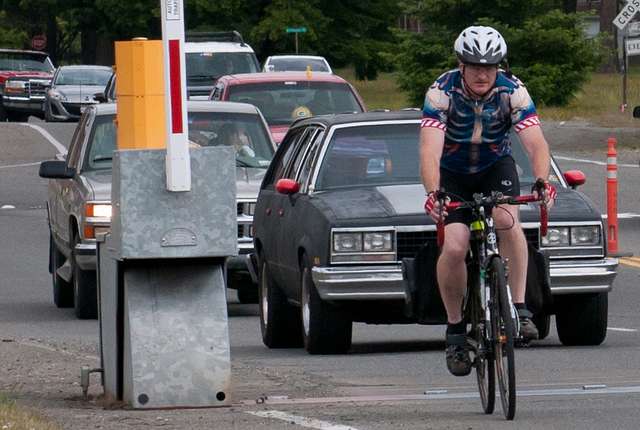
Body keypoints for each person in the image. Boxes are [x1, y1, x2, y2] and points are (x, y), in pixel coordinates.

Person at [419, 26, 557, 377]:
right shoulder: (440, 92)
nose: (483, 73)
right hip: (453, 172)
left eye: (490, 67)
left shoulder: (513, 91)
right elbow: (429, 151)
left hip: (496, 165)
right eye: (474, 66)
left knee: (508, 220)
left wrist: (542, 180)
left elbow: (536, 144)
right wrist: (433, 192)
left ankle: (521, 308)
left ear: (500, 67)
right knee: (454, 246)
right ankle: (454, 331)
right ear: (460, 65)